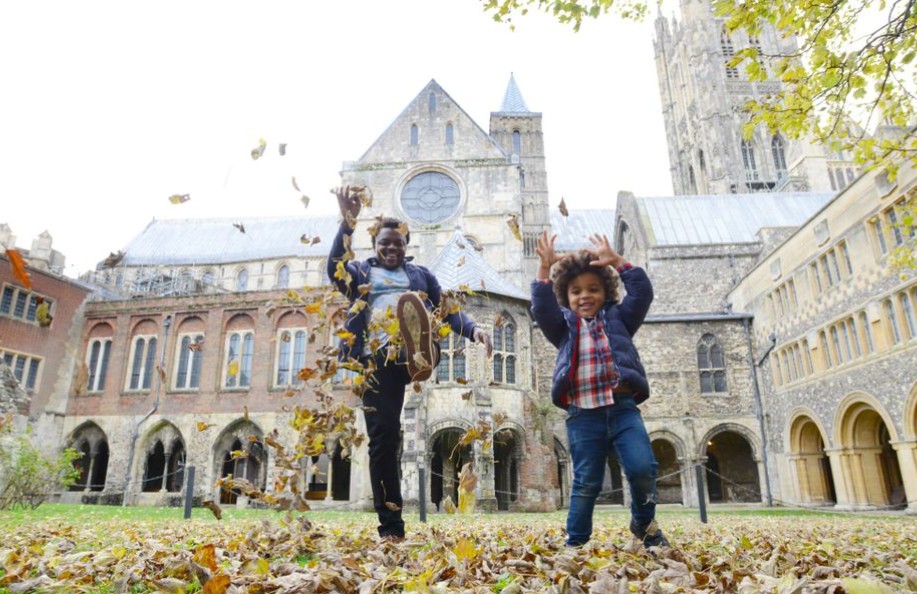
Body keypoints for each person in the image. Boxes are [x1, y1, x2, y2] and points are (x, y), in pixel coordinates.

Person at [327, 185, 493, 541]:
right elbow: (333, 269)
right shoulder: (359, 273)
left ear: (406, 245)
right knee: (383, 439)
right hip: (374, 364)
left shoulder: (421, 276)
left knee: (421, 311)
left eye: (398, 243)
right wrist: (346, 222)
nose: (391, 247)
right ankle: (391, 527)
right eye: (385, 242)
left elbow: (448, 310)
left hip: (406, 357)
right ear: (376, 245)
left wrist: (474, 329)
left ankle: (419, 347)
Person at [531, 230, 669, 551]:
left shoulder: (619, 318)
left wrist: (619, 262)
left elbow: (642, 292)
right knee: (586, 481)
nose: (585, 296)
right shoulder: (563, 327)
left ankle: (644, 524)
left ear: (605, 292)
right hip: (583, 414)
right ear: (566, 296)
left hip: (622, 409)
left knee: (642, 468)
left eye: (593, 289)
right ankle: (576, 541)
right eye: (576, 291)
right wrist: (544, 269)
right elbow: (541, 308)